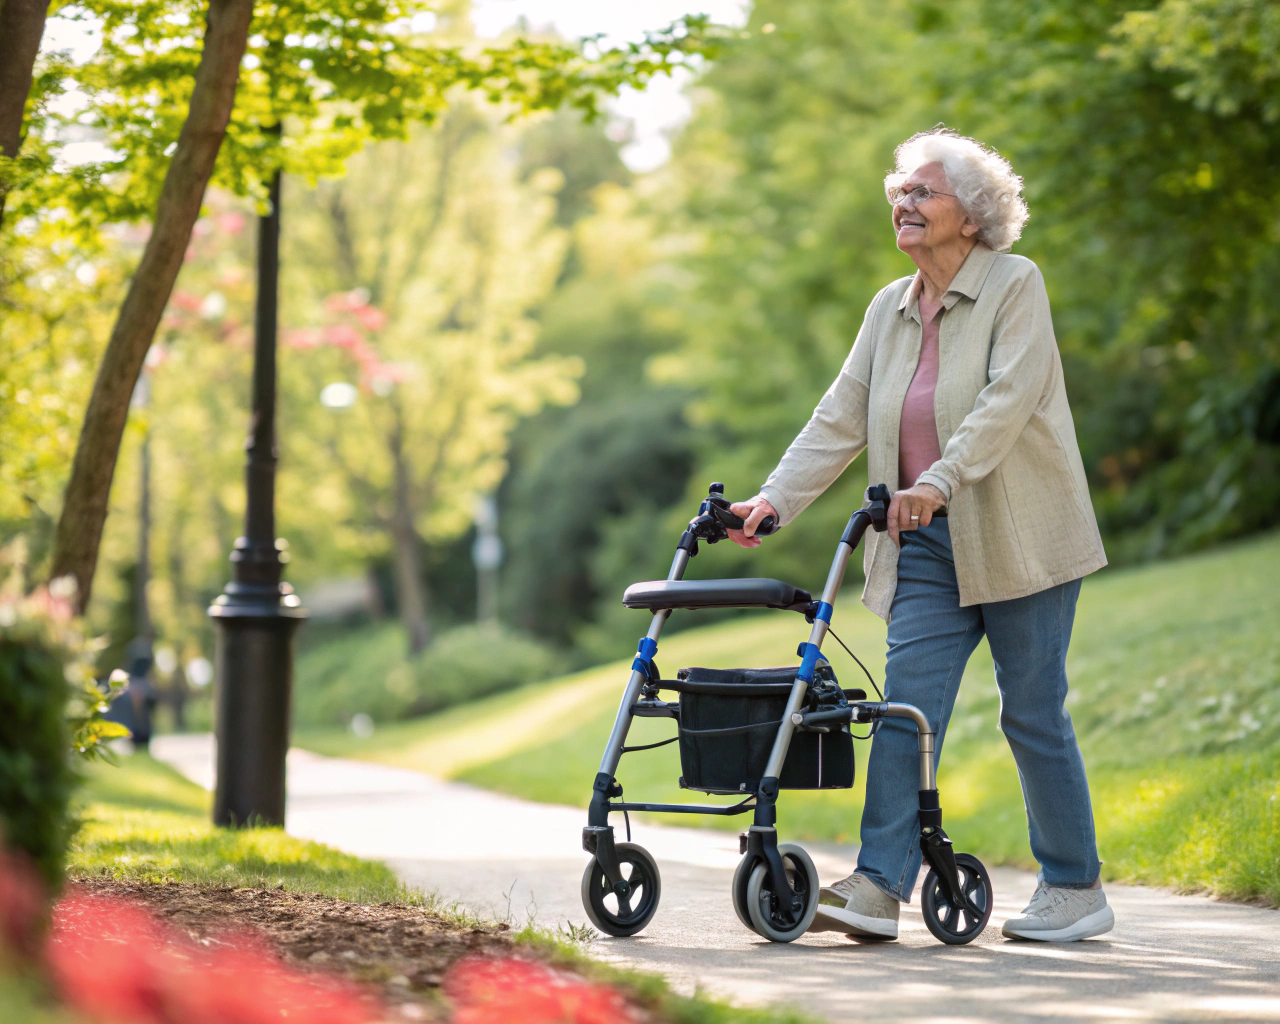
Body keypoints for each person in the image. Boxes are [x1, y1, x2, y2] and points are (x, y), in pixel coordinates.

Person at [728, 127, 1113, 943]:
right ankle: (876, 888)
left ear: (971, 217)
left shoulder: (1015, 284)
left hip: (1021, 535)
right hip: (923, 547)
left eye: (923, 192)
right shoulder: (889, 308)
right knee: (906, 709)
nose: (904, 202)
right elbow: (839, 415)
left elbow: (1007, 400)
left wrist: (938, 479)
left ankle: (1075, 888)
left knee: (1032, 712)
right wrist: (772, 501)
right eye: (898, 190)